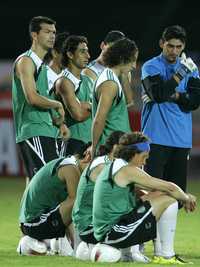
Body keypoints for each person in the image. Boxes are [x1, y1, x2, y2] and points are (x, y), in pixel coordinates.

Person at [91, 132, 196, 264]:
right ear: (133, 153)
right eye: (144, 156)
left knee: (164, 195)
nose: (145, 161)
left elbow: (160, 189)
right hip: (114, 233)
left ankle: (157, 254)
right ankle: (166, 256)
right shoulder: (127, 170)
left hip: (109, 232)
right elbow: (170, 188)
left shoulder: (116, 166)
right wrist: (186, 198)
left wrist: (179, 194)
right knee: (170, 200)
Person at [141, 25, 200, 193]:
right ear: (162, 43)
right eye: (170, 46)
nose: (174, 51)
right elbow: (159, 95)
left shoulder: (192, 70)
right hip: (155, 139)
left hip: (182, 140)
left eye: (178, 47)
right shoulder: (150, 66)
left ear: (183, 47)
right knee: (152, 194)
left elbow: (195, 102)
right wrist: (181, 73)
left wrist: (175, 96)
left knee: (176, 196)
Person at [12, 16, 65, 180]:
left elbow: (44, 99)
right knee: (47, 184)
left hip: (46, 130)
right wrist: (57, 104)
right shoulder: (26, 61)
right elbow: (32, 98)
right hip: (33, 129)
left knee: (38, 186)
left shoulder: (42, 66)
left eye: (54, 32)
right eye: (47, 32)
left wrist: (59, 122)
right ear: (34, 35)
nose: (52, 36)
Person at [17, 142, 91, 256]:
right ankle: (75, 247)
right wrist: (79, 249)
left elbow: (66, 211)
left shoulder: (66, 163)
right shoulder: (71, 168)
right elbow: (76, 207)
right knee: (78, 200)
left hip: (30, 223)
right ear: (87, 156)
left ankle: (38, 244)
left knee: (73, 200)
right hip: (35, 223)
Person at [72, 131, 124, 260]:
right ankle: (131, 253)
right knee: (132, 211)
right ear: (114, 146)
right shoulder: (102, 165)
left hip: (85, 221)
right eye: (123, 145)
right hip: (88, 223)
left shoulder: (107, 162)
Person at [91, 37, 138, 158]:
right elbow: (98, 120)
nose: (134, 66)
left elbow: (129, 101)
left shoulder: (112, 78)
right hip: (111, 150)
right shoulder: (109, 83)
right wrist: (94, 148)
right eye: (133, 60)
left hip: (117, 148)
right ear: (122, 58)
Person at [54, 35, 93, 155]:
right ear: (70, 55)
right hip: (72, 142)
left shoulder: (89, 80)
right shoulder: (63, 82)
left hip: (92, 142)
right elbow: (78, 114)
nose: (88, 56)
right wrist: (96, 106)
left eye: (87, 51)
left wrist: (87, 105)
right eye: (82, 52)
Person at [83, 30, 135, 109]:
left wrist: (123, 74)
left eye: (118, 51)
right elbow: (89, 106)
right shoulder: (89, 72)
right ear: (102, 45)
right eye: (111, 48)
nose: (114, 53)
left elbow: (128, 102)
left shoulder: (124, 71)